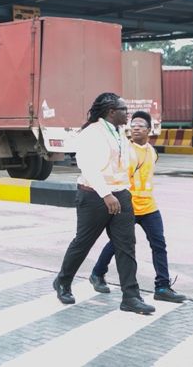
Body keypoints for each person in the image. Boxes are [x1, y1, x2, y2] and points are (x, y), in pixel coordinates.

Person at [53, 92, 155, 314]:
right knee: (84, 242)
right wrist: (106, 195)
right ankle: (63, 281)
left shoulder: (120, 132)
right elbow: (88, 166)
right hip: (95, 196)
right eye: (123, 110)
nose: (127, 114)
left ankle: (131, 297)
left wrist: (122, 193)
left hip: (121, 194)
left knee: (126, 246)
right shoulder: (92, 133)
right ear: (111, 112)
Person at [89, 111, 187, 303]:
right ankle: (97, 273)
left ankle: (162, 287)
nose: (135, 128)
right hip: (128, 206)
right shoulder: (125, 150)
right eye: (133, 125)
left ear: (149, 130)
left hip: (149, 206)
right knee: (118, 244)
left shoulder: (152, 152)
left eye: (140, 126)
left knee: (159, 245)